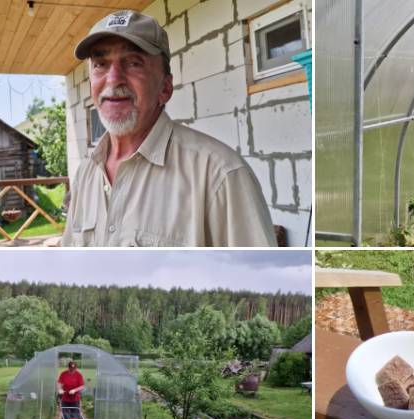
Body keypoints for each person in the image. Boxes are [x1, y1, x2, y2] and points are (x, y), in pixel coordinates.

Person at [62, 10, 277, 247]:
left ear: (165, 88)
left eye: (134, 63)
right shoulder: (85, 174)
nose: (113, 79)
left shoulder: (220, 175)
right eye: (101, 64)